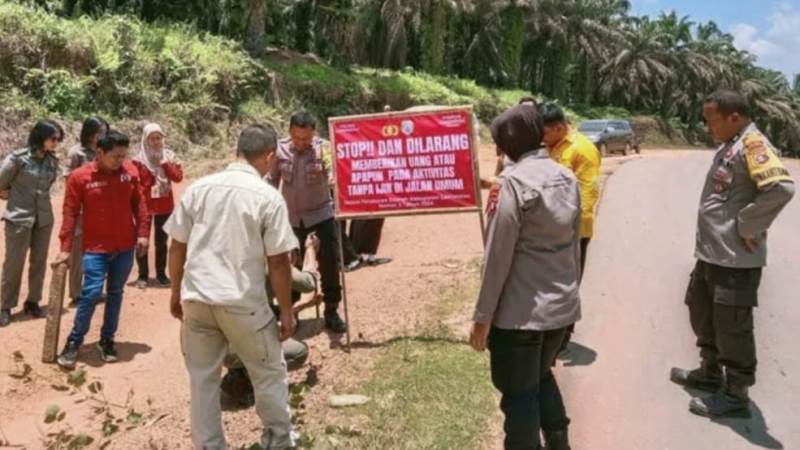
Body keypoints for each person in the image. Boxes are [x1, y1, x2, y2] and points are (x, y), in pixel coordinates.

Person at [164, 124, 298, 450]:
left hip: (197, 299)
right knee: (268, 373)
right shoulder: (268, 196)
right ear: (268, 157)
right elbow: (279, 262)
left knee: (203, 381)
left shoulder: (199, 188)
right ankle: (278, 442)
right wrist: (286, 311)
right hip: (243, 303)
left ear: (237, 150)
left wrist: (175, 291)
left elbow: (176, 246)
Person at [670, 89, 795, 418]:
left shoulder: (753, 145)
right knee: (702, 311)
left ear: (734, 117)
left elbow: (781, 189)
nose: (708, 127)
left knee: (732, 326)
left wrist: (747, 225)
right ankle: (710, 373)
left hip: (735, 259)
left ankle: (736, 394)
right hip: (713, 254)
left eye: (712, 120)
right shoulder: (732, 144)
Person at [470, 103, 581, 450]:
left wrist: (482, 318)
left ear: (506, 146)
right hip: (560, 310)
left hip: (520, 317)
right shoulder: (567, 177)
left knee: (518, 396)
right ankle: (559, 443)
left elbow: (497, 258)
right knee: (541, 377)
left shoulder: (512, 185)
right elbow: (573, 245)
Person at [53, 131, 150, 368]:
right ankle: (74, 342)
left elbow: (141, 205)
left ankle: (107, 339)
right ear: (99, 153)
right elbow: (70, 213)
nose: (120, 161)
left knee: (116, 293)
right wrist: (65, 248)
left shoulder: (130, 173)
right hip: (95, 248)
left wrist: (143, 234)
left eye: (123, 156)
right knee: (91, 293)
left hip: (124, 247)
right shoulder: (80, 177)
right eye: (115, 156)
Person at [267, 111, 347, 333]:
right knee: (290, 267)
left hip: (321, 215)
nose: (301, 143)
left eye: (306, 138)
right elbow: (271, 182)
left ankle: (331, 310)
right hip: (290, 219)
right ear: (290, 132)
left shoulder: (324, 148)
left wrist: (332, 176)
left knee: (330, 263)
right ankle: (292, 311)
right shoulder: (280, 150)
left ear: (314, 134)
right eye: (297, 137)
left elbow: (332, 170)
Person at [221, 234, 321, 408]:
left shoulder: (240, 257)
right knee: (299, 352)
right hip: (239, 345)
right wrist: (310, 250)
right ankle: (250, 380)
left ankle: (237, 372)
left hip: (217, 346)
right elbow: (308, 282)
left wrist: (303, 305)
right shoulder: (274, 260)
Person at [0, 119, 63, 327]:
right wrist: (8, 194)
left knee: (39, 261)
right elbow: (1, 182)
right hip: (19, 217)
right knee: (13, 263)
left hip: (43, 219)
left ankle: (33, 301)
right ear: (40, 136)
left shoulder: (52, 161)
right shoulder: (17, 159)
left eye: (58, 139)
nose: (56, 143)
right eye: (53, 138)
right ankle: (5, 306)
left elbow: (48, 187)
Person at [541, 103, 600, 277]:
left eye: (545, 133)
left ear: (559, 127)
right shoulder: (552, 146)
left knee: (569, 282)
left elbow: (587, 194)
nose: (542, 138)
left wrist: (568, 229)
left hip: (574, 230)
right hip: (552, 227)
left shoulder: (583, 149)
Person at [66, 116, 109, 306]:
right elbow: (68, 181)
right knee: (77, 253)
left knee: (97, 252)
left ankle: (93, 290)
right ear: (89, 132)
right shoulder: (76, 153)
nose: (102, 135)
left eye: (104, 132)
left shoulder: (104, 152)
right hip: (81, 210)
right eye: (99, 132)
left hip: (101, 210)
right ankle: (76, 293)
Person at [133, 123, 183, 289]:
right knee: (142, 240)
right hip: (144, 206)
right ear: (145, 140)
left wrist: (165, 164)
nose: (156, 142)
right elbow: (135, 184)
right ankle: (142, 275)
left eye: (158, 138)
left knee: (161, 242)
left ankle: (161, 274)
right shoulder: (138, 160)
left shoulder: (169, 156)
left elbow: (177, 178)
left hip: (164, 204)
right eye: (152, 138)